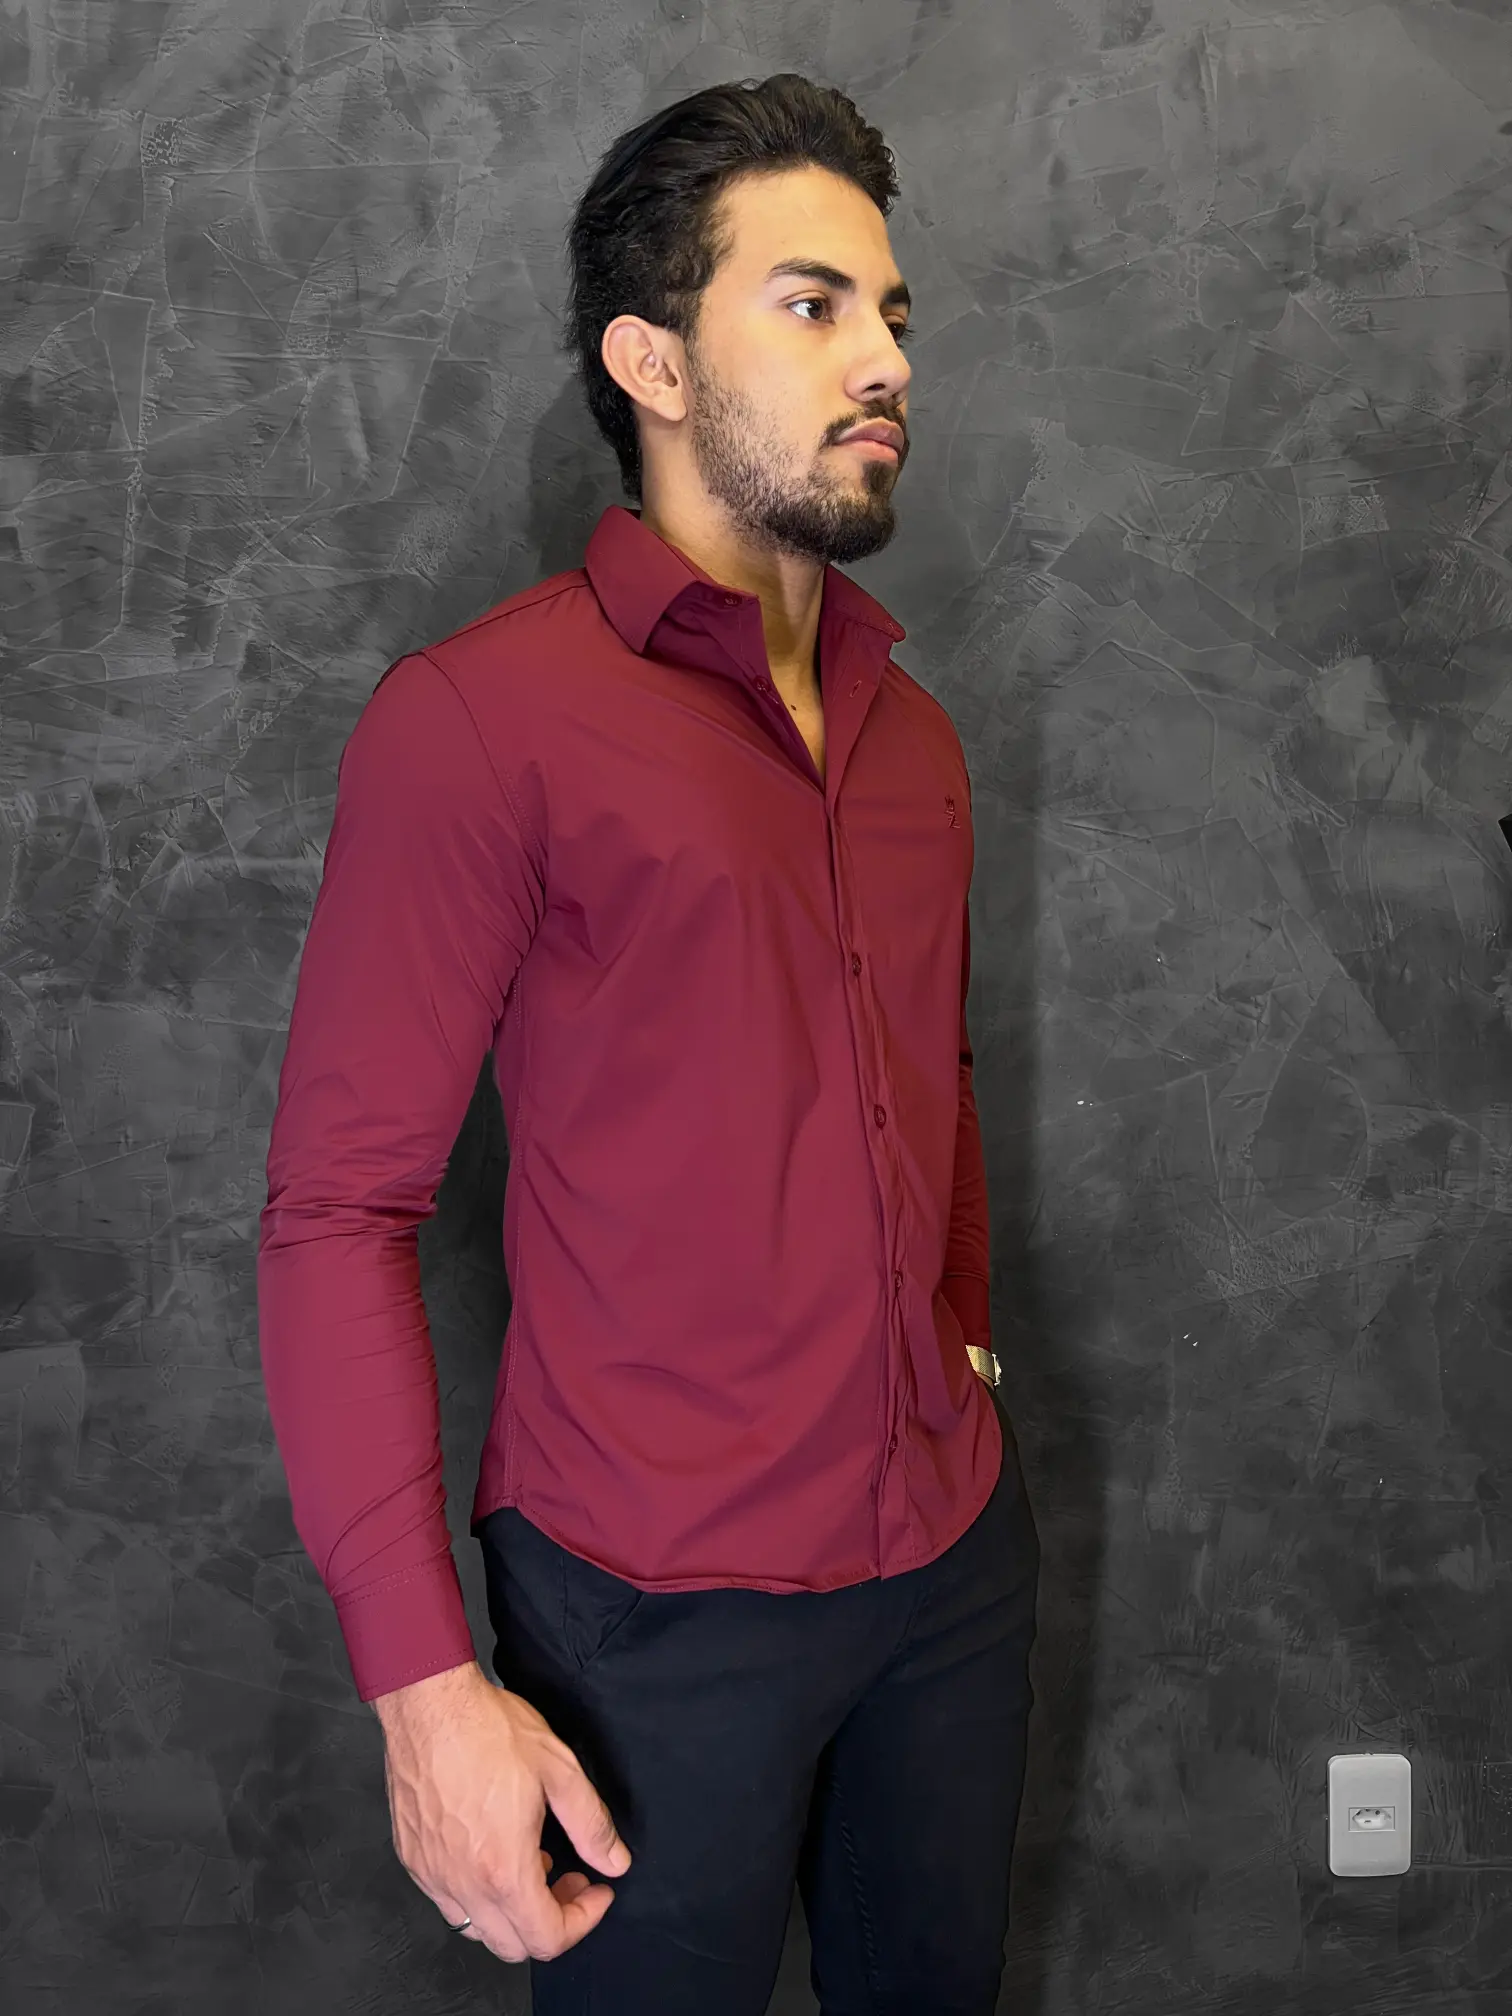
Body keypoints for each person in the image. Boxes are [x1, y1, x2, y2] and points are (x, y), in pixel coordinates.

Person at [257, 71, 1039, 2016]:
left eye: (892, 312)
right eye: (812, 303)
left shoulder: (917, 740)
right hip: (645, 1619)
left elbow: (933, 1084)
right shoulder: (480, 724)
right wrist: (424, 1690)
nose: (886, 358)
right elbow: (340, 1215)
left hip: (951, 1571)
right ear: (653, 361)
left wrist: (961, 1339)